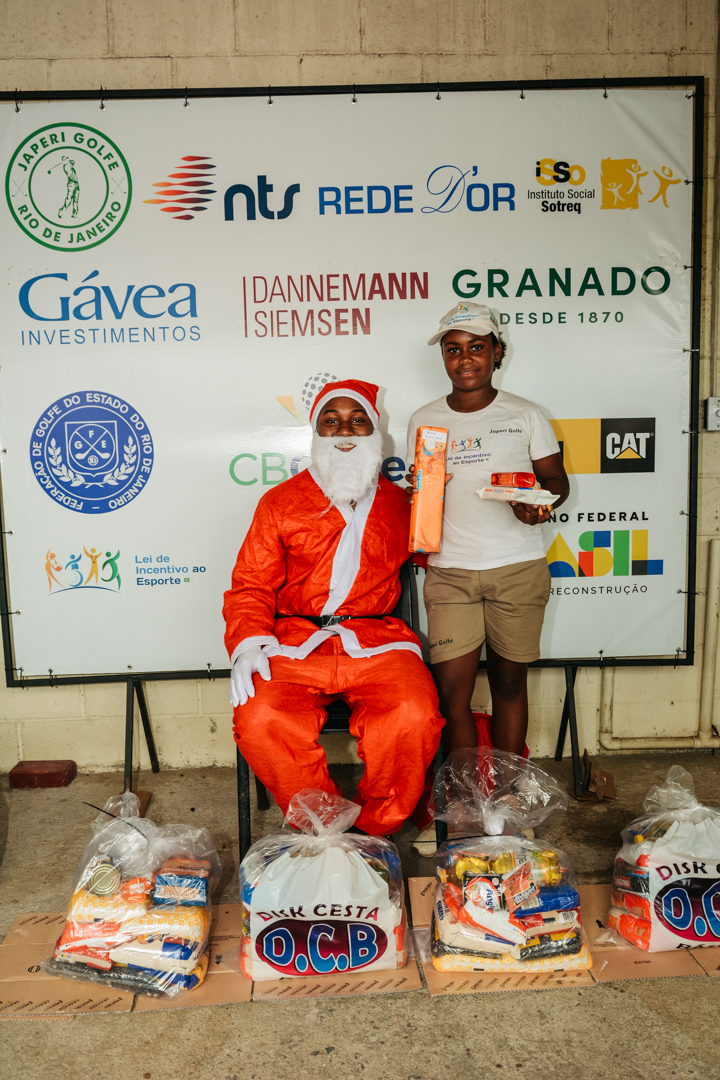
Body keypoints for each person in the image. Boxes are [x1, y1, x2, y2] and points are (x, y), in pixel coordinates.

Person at [223, 379, 444, 836]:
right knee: (260, 718)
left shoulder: (401, 504)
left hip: (377, 641)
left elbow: (437, 554)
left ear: (375, 432)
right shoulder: (280, 502)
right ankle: (325, 827)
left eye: (357, 420)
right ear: (316, 433)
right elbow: (251, 582)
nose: (345, 431)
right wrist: (247, 642)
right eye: (332, 420)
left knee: (413, 714)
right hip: (293, 642)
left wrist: (439, 500)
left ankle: (373, 829)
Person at [407, 303, 569, 852]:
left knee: (508, 684)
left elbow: (555, 481)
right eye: (453, 349)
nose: (465, 359)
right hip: (451, 572)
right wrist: (417, 494)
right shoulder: (424, 419)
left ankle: (505, 800)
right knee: (451, 694)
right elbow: (425, 492)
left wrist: (539, 506)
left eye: (476, 347)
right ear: (444, 358)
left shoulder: (526, 415)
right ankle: (460, 804)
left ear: (497, 352)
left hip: (516, 567)